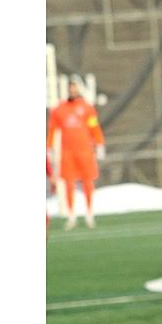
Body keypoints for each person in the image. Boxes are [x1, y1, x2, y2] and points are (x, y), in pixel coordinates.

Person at [46, 79, 106, 230]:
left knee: (87, 181)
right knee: (68, 183)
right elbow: (53, 129)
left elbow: (94, 127)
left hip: (85, 151)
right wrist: (49, 146)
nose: (73, 91)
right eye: (71, 88)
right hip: (68, 152)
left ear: (78, 90)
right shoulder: (59, 109)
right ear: (68, 90)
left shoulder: (86, 108)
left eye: (75, 88)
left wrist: (99, 143)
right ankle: (71, 215)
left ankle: (89, 213)